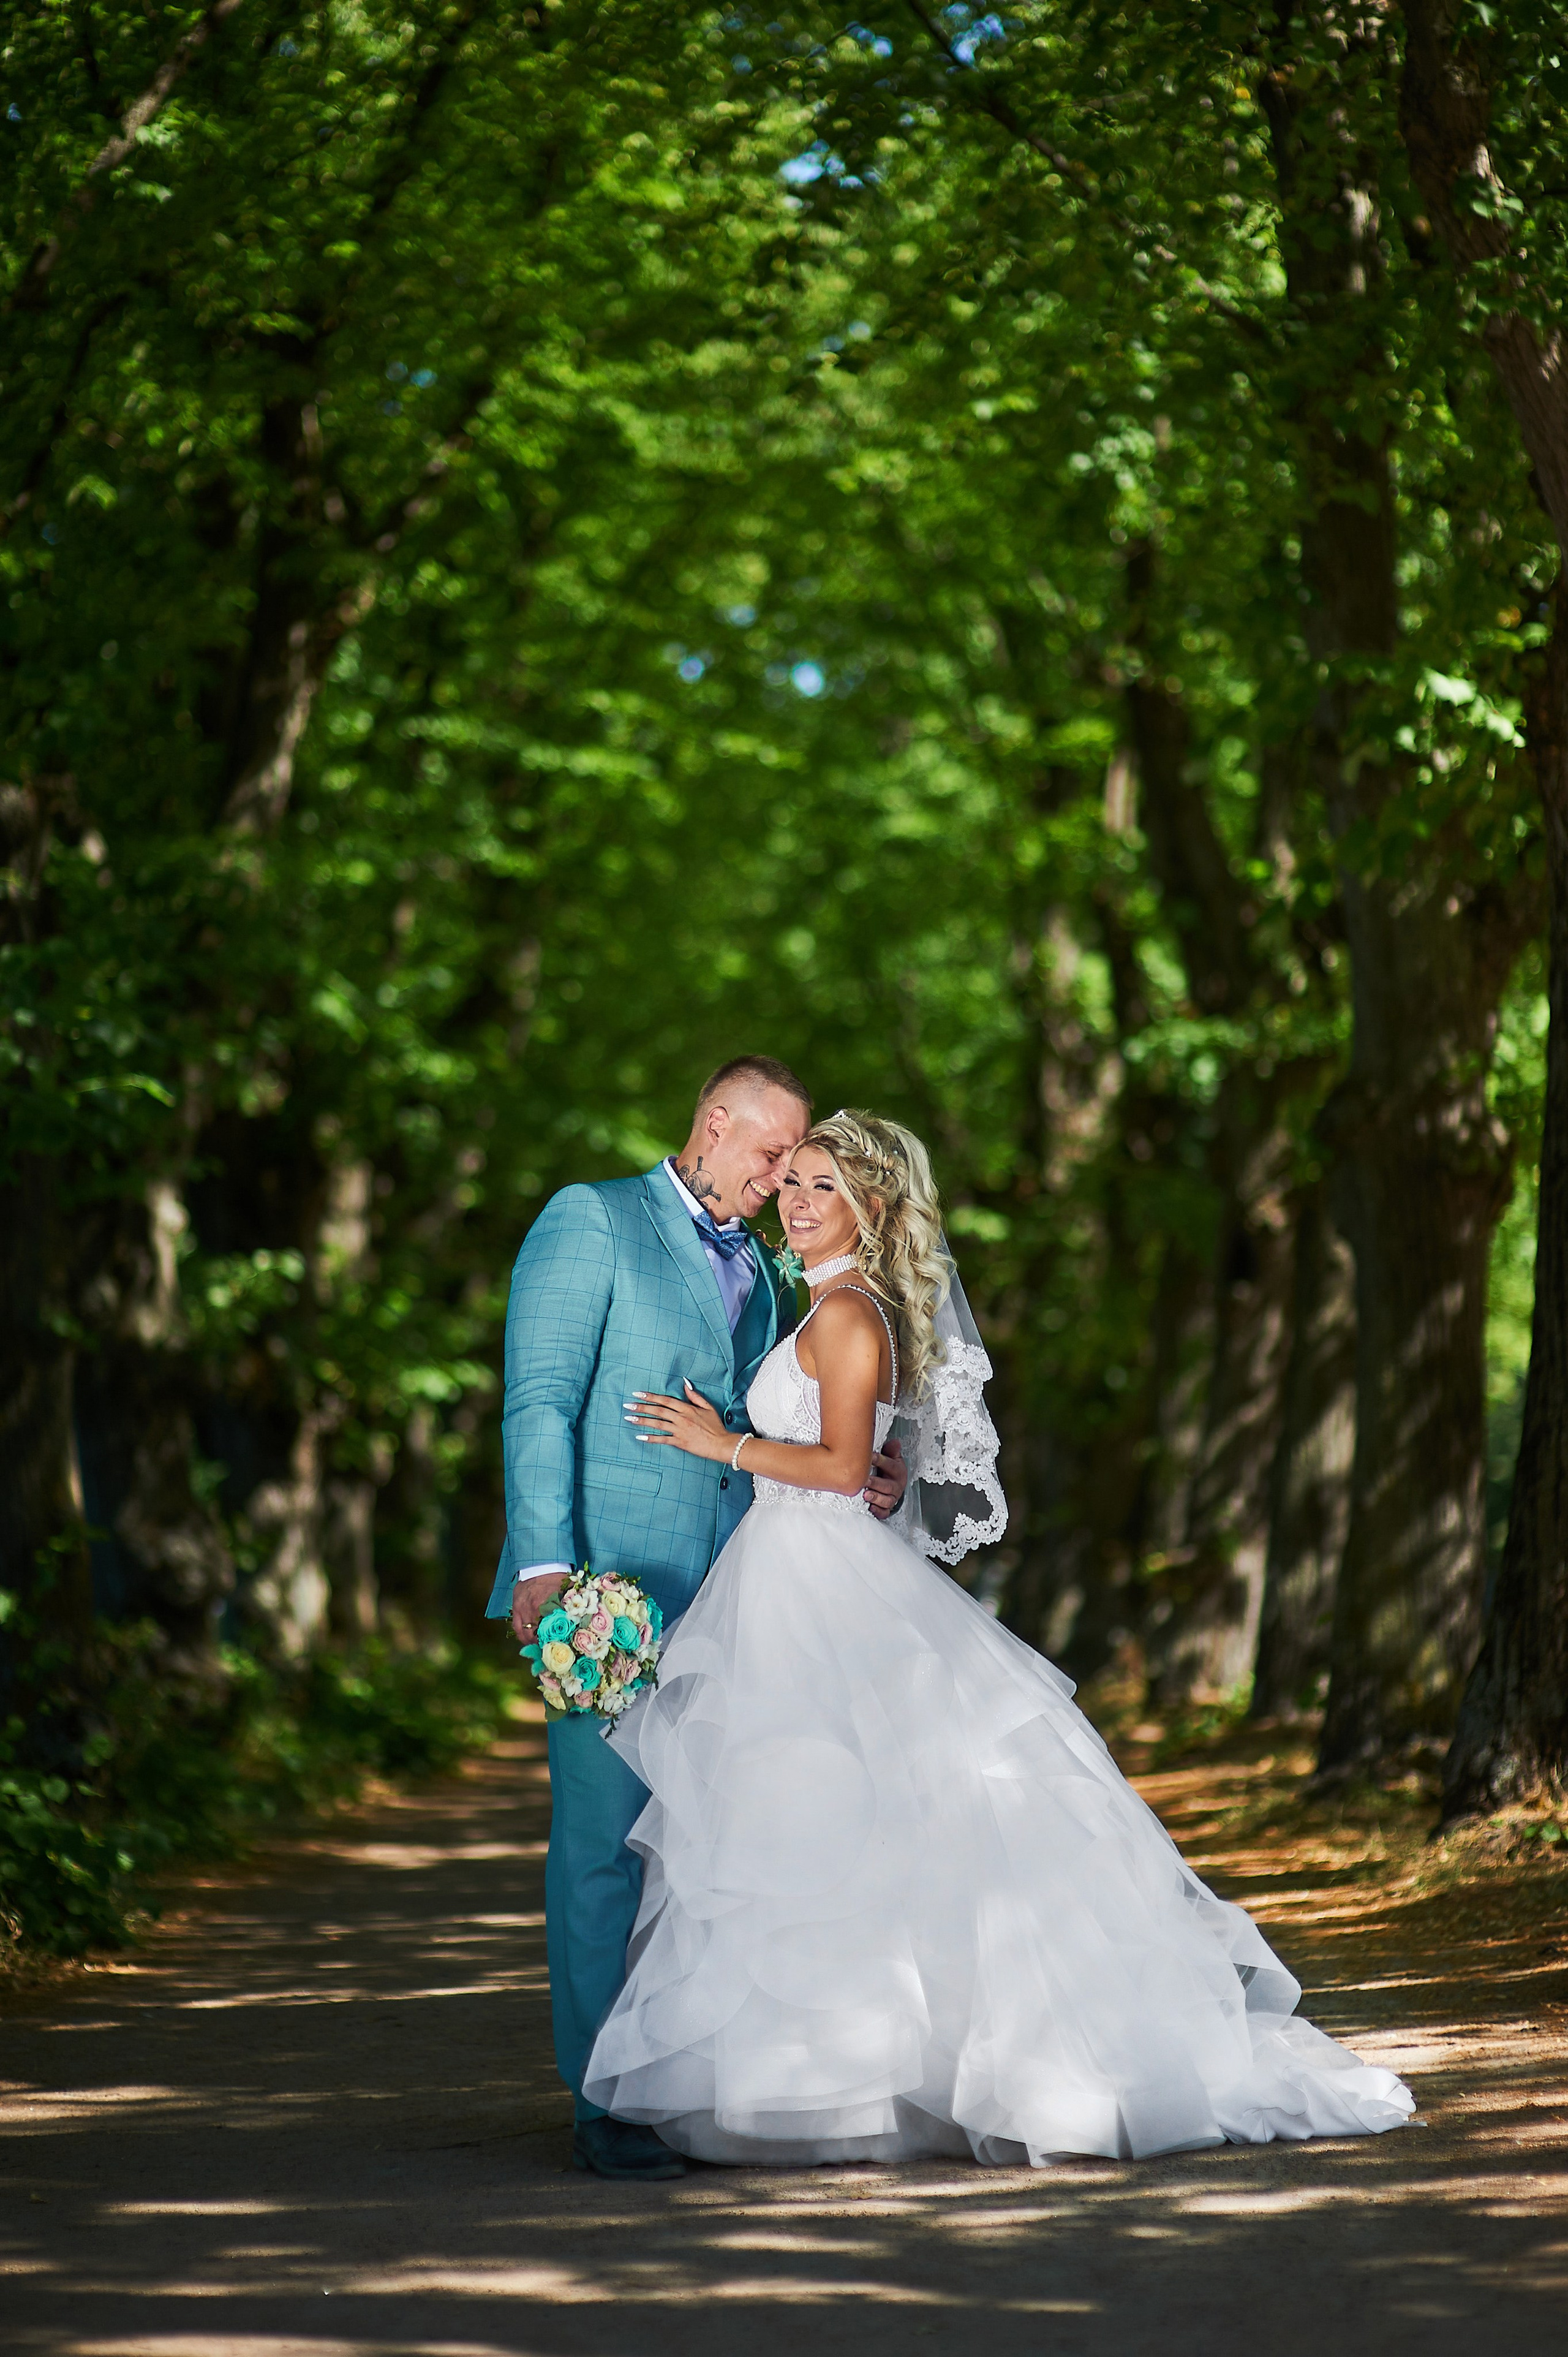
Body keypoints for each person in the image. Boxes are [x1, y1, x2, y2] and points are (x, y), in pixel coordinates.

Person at [586, 1108, 1415, 2167]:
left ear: (874, 1207)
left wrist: (721, 1442)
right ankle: (836, 2076)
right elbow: (870, 1471)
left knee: (845, 1811)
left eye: (823, 1187)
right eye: (790, 1181)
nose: (795, 1202)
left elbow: (841, 1470)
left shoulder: (849, 1318)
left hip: (820, 1584)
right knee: (815, 1819)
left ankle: (876, 2079)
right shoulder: (832, 1310)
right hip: (796, 1579)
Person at [484, 1058, 908, 2181]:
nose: (783, 1180)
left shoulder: (773, 1275)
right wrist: (543, 1563)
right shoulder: (593, 1221)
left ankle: (684, 2081)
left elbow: (801, 1418)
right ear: (715, 1125)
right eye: (773, 1155)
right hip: (607, 1596)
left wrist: (869, 1470)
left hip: (746, 1599)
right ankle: (602, 2107)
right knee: (602, 1849)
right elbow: (540, 1398)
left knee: (713, 1854)